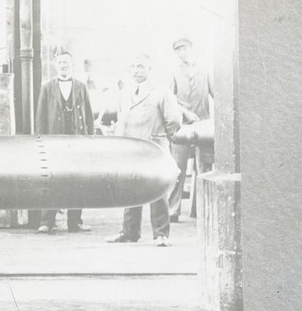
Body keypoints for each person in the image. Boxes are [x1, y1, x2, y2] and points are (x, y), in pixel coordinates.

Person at [108, 53, 183, 245]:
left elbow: (174, 120)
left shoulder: (161, 92)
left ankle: (161, 234)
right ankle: (129, 232)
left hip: (154, 149)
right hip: (130, 150)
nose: (136, 70)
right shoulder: (125, 93)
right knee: (130, 189)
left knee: (157, 190)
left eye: (140, 66)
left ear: (150, 69)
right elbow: (121, 119)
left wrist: (162, 138)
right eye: (132, 66)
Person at [34, 49, 95, 233]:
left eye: (66, 63)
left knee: (78, 181)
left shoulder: (81, 87)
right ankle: (46, 221)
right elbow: (40, 117)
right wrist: (41, 142)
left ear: (72, 65)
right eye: (60, 63)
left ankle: (75, 222)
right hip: (54, 142)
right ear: (55, 65)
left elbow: (89, 116)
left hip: (77, 141)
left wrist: (90, 140)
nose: (63, 66)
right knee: (51, 181)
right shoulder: (47, 88)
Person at [168, 36, 214, 221]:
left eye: (185, 48)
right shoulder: (174, 72)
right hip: (182, 127)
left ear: (192, 48)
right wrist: (185, 112)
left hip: (203, 125)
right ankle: (173, 210)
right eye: (178, 50)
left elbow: (217, 94)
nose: (182, 53)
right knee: (177, 168)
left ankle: (201, 209)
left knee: (204, 168)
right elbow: (169, 100)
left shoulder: (205, 70)